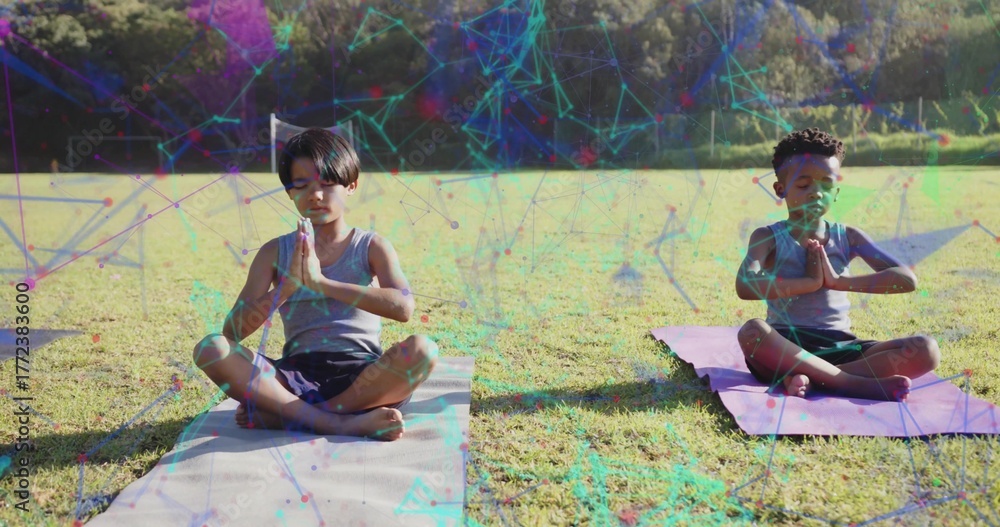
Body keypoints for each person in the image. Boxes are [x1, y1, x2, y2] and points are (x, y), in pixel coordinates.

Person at [192, 128, 438, 440]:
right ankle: (338, 423)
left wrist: (321, 283)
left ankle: (294, 415)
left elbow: (403, 308)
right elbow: (233, 332)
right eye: (302, 184)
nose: (315, 195)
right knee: (211, 349)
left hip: (363, 379)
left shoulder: (371, 246)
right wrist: (287, 288)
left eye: (327, 183)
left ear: (351, 185)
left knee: (422, 350)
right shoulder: (274, 252)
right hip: (293, 377)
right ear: (289, 192)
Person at [734, 128, 939, 401]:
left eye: (826, 185)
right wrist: (809, 283)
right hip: (784, 347)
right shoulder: (768, 237)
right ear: (781, 189)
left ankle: (816, 379)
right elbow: (745, 285)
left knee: (926, 349)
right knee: (752, 332)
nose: (816, 193)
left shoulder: (848, 237)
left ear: (837, 191)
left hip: (842, 346)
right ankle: (850, 383)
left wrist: (838, 282)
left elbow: (906, 279)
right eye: (804, 185)